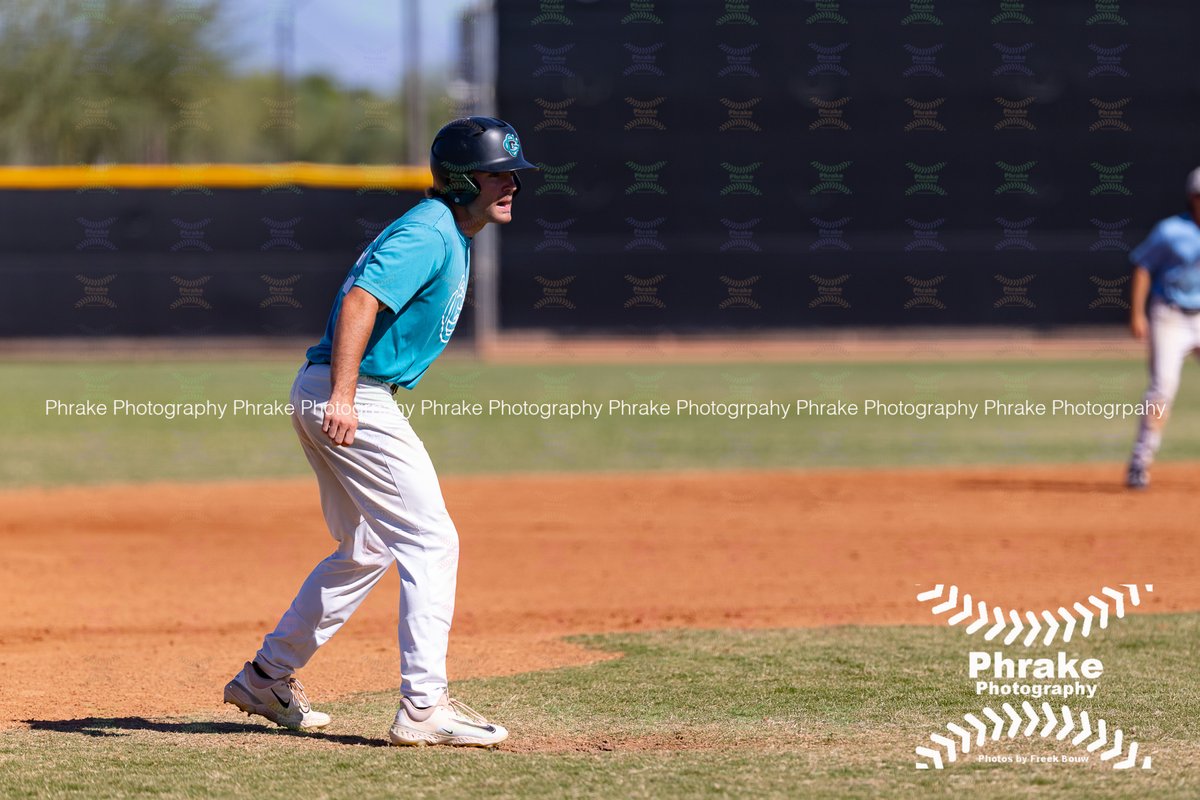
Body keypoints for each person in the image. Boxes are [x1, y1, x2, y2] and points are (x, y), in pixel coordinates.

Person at [223, 117, 538, 746]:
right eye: (500, 173)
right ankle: (424, 707)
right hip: (351, 395)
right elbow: (362, 299)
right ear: (460, 179)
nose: (512, 184)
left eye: (514, 174)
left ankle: (266, 677)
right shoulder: (430, 230)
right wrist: (346, 396)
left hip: (336, 391)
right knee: (432, 541)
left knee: (366, 548)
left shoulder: (448, 229)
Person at [1125, 166, 1200, 489]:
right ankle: (1141, 462)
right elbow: (1143, 266)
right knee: (1163, 388)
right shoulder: (1171, 231)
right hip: (1169, 315)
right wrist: (1137, 314)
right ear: (1193, 198)